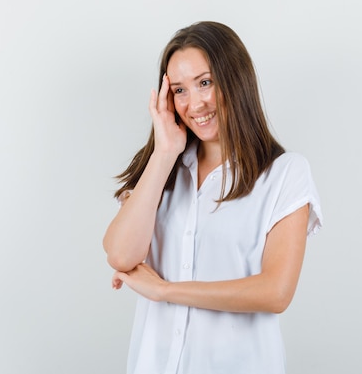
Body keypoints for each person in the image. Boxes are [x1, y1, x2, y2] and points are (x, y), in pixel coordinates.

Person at [102, 21, 322, 374]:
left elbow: (275, 292)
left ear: (235, 80)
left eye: (205, 83)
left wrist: (165, 290)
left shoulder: (285, 174)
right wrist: (164, 153)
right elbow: (120, 254)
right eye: (179, 90)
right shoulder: (163, 171)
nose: (195, 104)